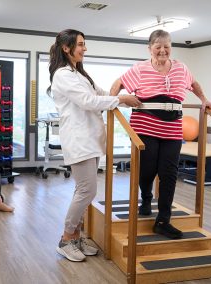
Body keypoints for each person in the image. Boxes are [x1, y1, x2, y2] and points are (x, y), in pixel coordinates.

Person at [110, 29, 211, 239]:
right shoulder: (140, 68)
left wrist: (204, 100)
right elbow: (119, 83)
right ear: (150, 49)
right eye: (158, 47)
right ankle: (146, 197)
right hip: (144, 127)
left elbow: (193, 84)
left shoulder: (180, 68)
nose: (162, 50)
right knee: (147, 169)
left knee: (169, 172)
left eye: (166, 46)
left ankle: (163, 220)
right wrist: (111, 101)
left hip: (172, 128)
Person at [48, 29, 141, 262]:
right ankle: (66, 238)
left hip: (90, 140)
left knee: (85, 190)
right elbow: (89, 101)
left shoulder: (79, 74)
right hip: (79, 141)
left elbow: (98, 93)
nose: (85, 48)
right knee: (87, 190)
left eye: (84, 44)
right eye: (80, 44)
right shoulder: (62, 74)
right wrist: (120, 99)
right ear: (66, 48)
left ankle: (76, 236)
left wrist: (122, 92)